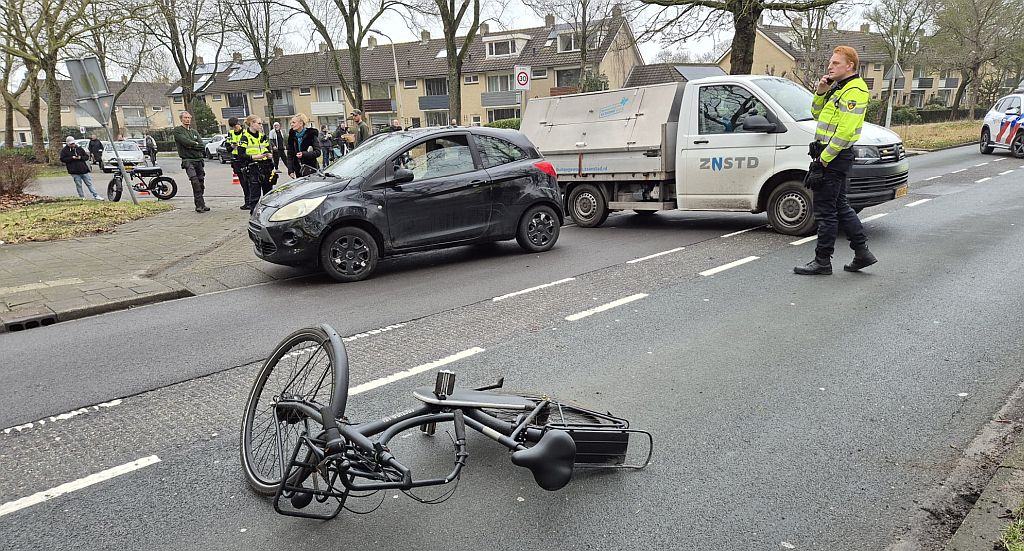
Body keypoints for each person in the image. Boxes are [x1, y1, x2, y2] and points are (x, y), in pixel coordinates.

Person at [794, 45, 876, 276]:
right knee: (840, 206)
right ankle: (862, 253)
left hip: (833, 156)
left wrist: (824, 160)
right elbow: (817, 114)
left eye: (835, 63)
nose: (830, 67)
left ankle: (822, 261)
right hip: (831, 155)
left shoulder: (854, 91)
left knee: (825, 211)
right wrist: (821, 92)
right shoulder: (840, 88)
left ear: (849, 66)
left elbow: (845, 132)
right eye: (830, 63)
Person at [173, 111, 210, 212]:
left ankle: (202, 203)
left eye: (189, 118)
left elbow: (201, 145)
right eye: (185, 118)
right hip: (188, 160)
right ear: (181, 119)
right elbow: (185, 142)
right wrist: (194, 144)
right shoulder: (178, 131)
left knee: (201, 182)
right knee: (195, 181)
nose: (187, 120)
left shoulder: (194, 132)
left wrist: (192, 145)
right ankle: (199, 205)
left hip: (199, 160)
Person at [237, 115, 274, 211]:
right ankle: (254, 214)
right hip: (254, 168)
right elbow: (240, 155)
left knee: (269, 194)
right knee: (255, 196)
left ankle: (267, 213)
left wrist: (269, 154)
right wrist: (254, 157)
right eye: (259, 123)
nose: (261, 125)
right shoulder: (245, 137)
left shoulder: (262, 136)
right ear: (252, 124)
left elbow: (267, 148)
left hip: (265, 167)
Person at [59, 136, 103, 200]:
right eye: (71, 144)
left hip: (83, 169)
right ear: (68, 143)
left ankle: (96, 195)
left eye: (73, 143)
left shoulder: (79, 148)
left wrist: (80, 157)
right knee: (78, 184)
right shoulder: (64, 150)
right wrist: (72, 158)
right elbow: (62, 159)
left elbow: (86, 157)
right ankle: (82, 197)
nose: (73, 145)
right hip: (74, 171)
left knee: (89, 183)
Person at [286, 113, 320, 178]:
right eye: (291, 123)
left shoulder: (311, 135)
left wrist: (304, 154)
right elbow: (290, 154)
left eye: (294, 122)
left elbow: (318, 152)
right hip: (298, 170)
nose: (291, 124)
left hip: (311, 169)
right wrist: (290, 170)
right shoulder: (292, 136)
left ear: (301, 123)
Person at [226, 117, 248, 210]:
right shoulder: (230, 134)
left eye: (236, 126)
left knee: (248, 181)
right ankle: (247, 201)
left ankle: (251, 201)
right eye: (233, 127)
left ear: (239, 124)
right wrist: (232, 146)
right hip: (236, 160)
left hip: (245, 159)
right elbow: (227, 148)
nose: (235, 129)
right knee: (243, 182)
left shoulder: (245, 133)